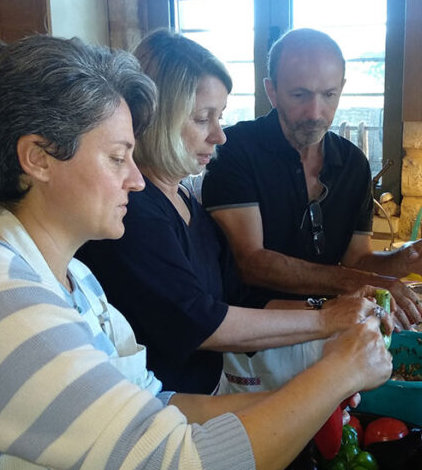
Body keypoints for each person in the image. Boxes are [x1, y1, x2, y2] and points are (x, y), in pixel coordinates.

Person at [0, 34, 392, 470]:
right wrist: (335, 376)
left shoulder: (71, 277)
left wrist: (300, 407)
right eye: (117, 158)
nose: (136, 180)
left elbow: (156, 403)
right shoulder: (1, 306)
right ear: (38, 158)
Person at [78, 29, 387, 394]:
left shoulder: (186, 203)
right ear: (155, 118)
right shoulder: (134, 212)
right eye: (202, 118)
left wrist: (338, 313)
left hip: (206, 397)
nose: (219, 136)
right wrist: (325, 320)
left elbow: (242, 299)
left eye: (220, 116)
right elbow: (200, 321)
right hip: (159, 415)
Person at [202, 28, 422, 330]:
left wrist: (406, 259)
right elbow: (252, 263)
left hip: (330, 325)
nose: (315, 112)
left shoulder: (353, 164)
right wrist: (364, 282)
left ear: (341, 88)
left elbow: (358, 259)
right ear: (272, 91)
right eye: (300, 95)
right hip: (251, 338)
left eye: (329, 94)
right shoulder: (235, 150)